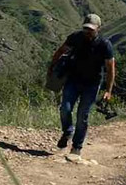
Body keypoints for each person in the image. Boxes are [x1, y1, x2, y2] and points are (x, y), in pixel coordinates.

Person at [47, 13, 116, 157]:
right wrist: (52, 68)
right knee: (64, 109)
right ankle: (67, 131)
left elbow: (110, 69)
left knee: (82, 116)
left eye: (91, 29)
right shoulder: (75, 38)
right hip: (73, 80)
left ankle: (77, 147)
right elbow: (60, 51)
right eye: (86, 28)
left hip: (92, 84)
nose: (87, 32)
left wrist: (108, 91)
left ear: (98, 28)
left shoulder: (104, 44)